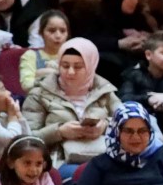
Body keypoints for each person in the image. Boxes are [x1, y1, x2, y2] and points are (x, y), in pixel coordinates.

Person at [21, 38, 121, 171]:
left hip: (104, 156)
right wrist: (59, 132)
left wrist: (105, 126)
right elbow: (26, 140)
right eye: (65, 66)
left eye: (78, 66)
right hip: (59, 161)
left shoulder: (105, 91)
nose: (70, 72)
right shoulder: (38, 94)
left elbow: (127, 123)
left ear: (91, 66)